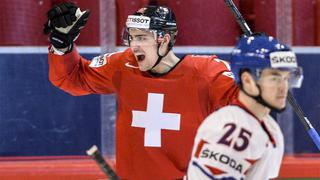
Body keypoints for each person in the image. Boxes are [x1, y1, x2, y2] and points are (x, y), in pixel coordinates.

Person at [44, 2, 239, 179]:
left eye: (142, 37)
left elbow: (249, 101)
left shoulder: (206, 73)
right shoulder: (124, 65)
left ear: (164, 39)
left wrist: (257, 68)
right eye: (132, 36)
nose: (134, 44)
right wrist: (62, 44)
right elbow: (72, 78)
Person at [186, 33, 304, 179]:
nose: (284, 87)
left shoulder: (272, 129)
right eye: (274, 78)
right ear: (247, 80)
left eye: (287, 78)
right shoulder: (227, 128)